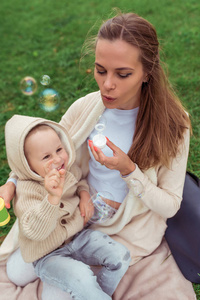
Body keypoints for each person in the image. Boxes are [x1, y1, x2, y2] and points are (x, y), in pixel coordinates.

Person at [0, 11, 191, 300]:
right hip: (70, 216)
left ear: (147, 72)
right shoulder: (87, 107)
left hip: (122, 229)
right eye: (100, 70)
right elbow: (45, 153)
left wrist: (129, 170)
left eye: (122, 74)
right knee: (17, 272)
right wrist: (12, 182)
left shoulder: (174, 125)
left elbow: (170, 206)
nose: (107, 84)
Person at [3, 114, 130, 300]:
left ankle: (96, 294)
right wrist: (52, 198)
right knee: (81, 277)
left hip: (77, 238)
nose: (57, 159)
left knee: (120, 256)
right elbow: (36, 232)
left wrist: (84, 194)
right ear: (26, 165)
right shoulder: (26, 191)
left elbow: (78, 181)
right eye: (46, 156)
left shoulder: (66, 169)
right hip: (47, 255)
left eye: (59, 149)